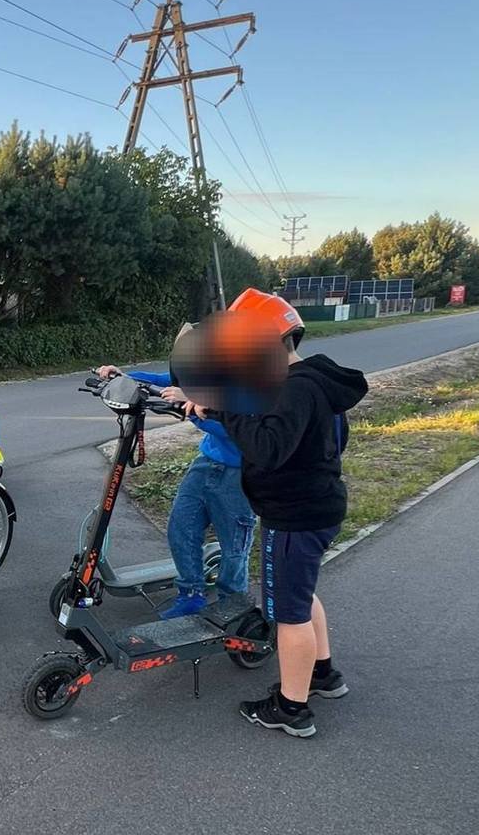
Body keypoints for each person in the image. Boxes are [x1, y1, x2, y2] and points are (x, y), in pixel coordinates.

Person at [193, 288, 367, 739]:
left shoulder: (293, 391)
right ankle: (322, 674)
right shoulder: (312, 383)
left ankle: (291, 708)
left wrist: (226, 413)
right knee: (302, 595)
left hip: (294, 518)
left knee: (287, 614)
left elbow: (267, 448)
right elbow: (321, 440)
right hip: (318, 507)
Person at [95, 323, 255, 620]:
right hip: (206, 465)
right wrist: (122, 377)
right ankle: (191, 593)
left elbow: (234, 429)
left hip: (239, 475)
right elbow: (161, 380)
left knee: (234, 547)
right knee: (181, 527)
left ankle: (233, 607)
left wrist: (190, 407)